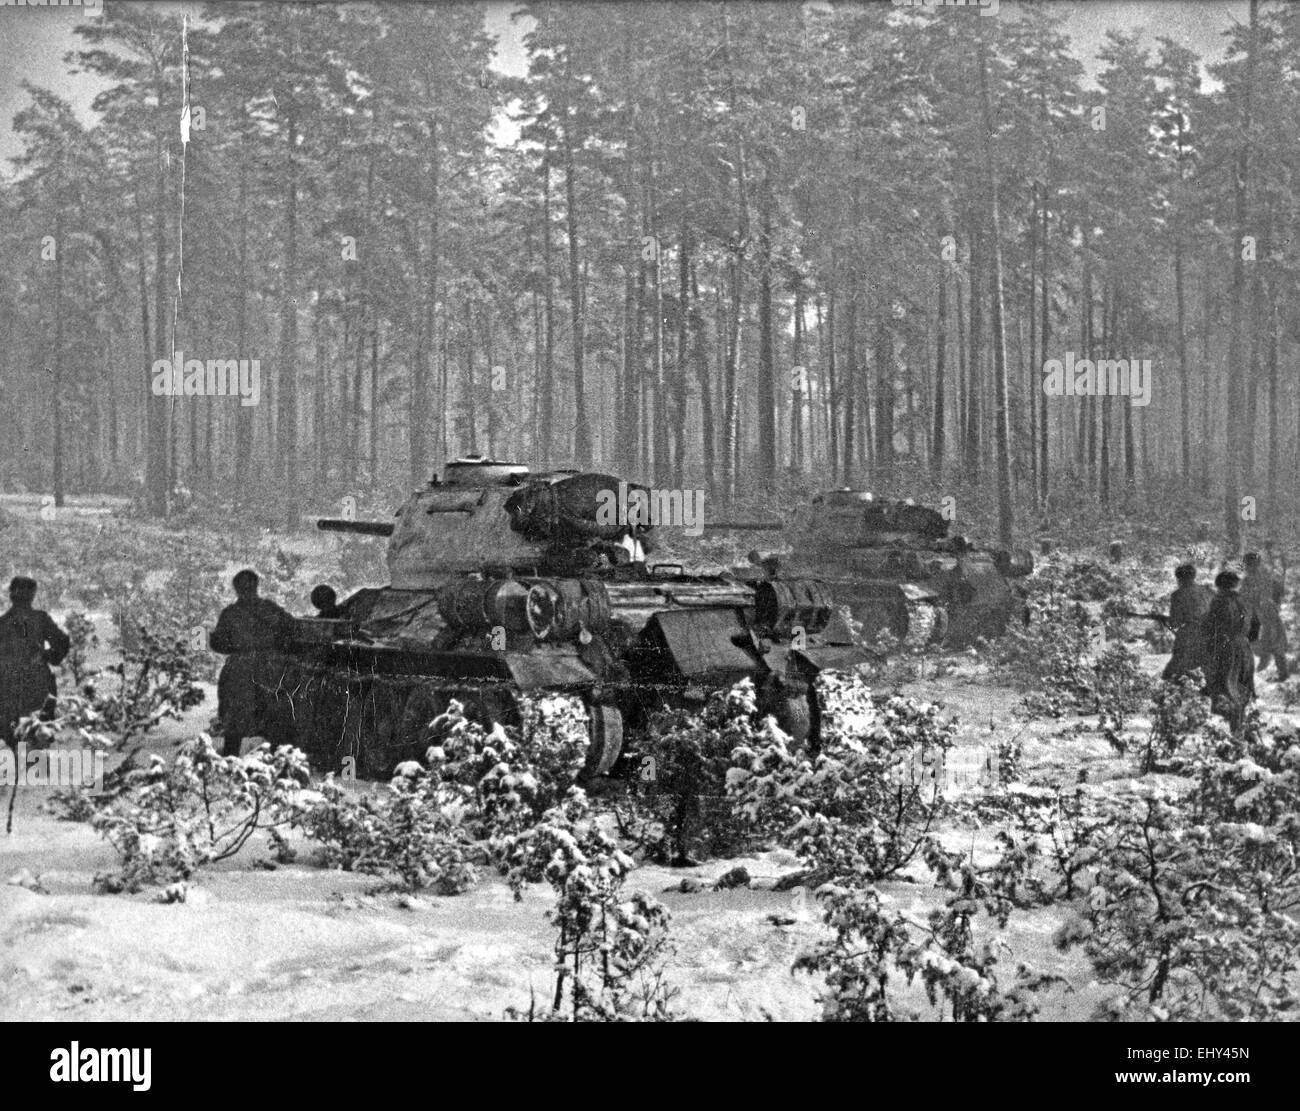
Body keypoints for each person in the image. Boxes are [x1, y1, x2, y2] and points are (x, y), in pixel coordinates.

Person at [209, 570, 294, 757]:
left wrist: (214, 639)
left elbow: (220, 644)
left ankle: (231, 759)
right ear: (256, 586)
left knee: (235, 718)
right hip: (270, 670)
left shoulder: (230, 613)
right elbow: (292, 630)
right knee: (273, 717)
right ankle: (276, 761)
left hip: (240, 670)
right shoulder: (270, 609)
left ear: (236, 589)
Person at [0, 576, 71, 746]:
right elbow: (62, 642)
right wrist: (47, 655)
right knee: (38, 735)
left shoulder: (3, 623)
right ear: (32, 595)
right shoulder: (40, 619)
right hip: (36, 685)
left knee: (14, 737)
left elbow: (61, 642)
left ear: (11, 595)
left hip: (10, 687)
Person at [1201, 569, 1260, 732]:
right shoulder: (1247, 601)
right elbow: (1255, 628)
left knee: (1223, 685)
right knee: (1243, 687)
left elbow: (1209, 627)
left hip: (1225, 648)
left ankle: (1233, 731)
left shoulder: (1218, 601)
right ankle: (1241, 726)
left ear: (1219, 586)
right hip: (1245, 649)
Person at [1241, 552, 1289, 680]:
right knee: (1267, 641)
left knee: (1273, 641)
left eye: (1249, 564)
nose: (1247, 567)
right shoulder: (1255, 579)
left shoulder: (1260, 578)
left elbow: (1274, 594)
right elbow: (1244, 597)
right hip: (1260, 613)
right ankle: (1267, 663)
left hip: (1263, 613)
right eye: (1247, 565)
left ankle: (1280, 673)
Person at [1162, 564, 1213, 682]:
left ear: (1179, 578)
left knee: (1171, 674)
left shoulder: (1178, 595)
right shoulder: (1207, 590)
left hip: (1189, 636)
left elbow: (1174, 623)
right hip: (1210, 635)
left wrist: (1166, 622)